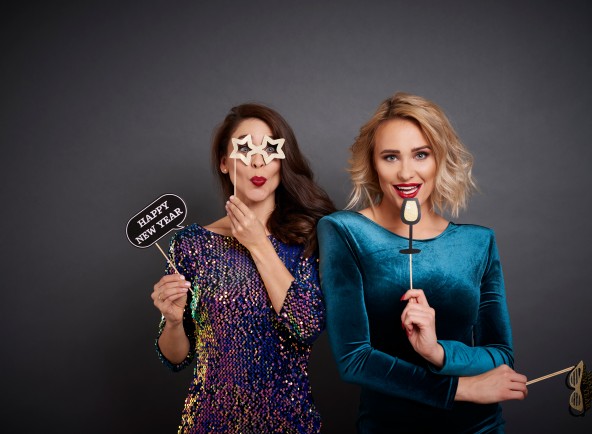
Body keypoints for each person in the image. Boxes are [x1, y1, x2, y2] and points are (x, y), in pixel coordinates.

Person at [317, 92, 528, 433]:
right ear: (373, 163)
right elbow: (354, 359)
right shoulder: (344, 231)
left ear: (439, 159)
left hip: (480, 427)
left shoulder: (478, 241)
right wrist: (461, 388)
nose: (406, 173)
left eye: (420, 154)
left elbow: (501, 355)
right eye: (390, 157)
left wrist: (437, 352)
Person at [151, 103, 336, 433]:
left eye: (269, 148)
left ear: (282, 159)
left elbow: (305, 324)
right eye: (245, 147)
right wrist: (174, 321)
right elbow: (176, 358)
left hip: (288, 424)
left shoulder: (310, 235)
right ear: (224, 162)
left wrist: (257, 242)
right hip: (209, 423)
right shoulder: (191, 244)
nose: (258, 160)